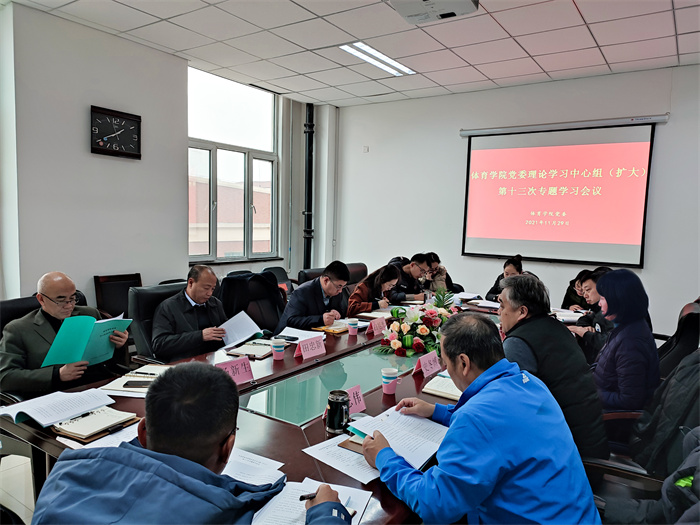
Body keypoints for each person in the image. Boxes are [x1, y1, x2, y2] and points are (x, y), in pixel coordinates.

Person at [32, 362, 351, 525]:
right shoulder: (216, 514)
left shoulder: (64, 474)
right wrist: (327, 512)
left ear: (142, 432)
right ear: (228, 447)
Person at [361, 312, 601, 525]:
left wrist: (384, 458)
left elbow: (435, 504)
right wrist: (436, 411)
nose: (445, 368)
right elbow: (501, 425)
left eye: (445, 361)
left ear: (463, 363)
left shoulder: (476, 418)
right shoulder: (529, 382)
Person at [498, 274, 609, 459]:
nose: (498, 312)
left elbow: (513, 409)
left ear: (522, 312)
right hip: (590, 443)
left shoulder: (518, 342)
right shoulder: (558, 328)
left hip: (565, 458)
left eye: (502, 306)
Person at [0, 272, 129, 397]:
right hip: (55, 393)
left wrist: (117, 345)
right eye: (61, 300)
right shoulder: (18, 329)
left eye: (73, 298)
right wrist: (57, 374)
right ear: (41, 299)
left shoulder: (89, 314)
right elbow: (5, 377)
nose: (69, 306)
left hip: (98, 385)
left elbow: (109, 361)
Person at [592, 269, 660, 410]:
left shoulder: (631, 342)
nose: (599, 304)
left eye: (603, 298)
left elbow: (630, 400)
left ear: (618, 300)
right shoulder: (626, 328)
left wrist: (589, 394)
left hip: (612, 417)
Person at [151, 265, 227, 362]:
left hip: (215, 358)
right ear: (191, 283)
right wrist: (200, 336)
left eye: (213, 289)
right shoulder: (168, 307)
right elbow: (159, 344)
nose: (209, 293)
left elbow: (224, 331)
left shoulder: (215, 303)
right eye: (206, 288)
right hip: (186, 363)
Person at [275, 261, 349, 333]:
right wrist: (321, 319)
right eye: (339, 286)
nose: (340, 291)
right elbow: (291, 320)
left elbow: (340, 310)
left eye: (343, 286)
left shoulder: (336, 291)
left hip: (319, 334)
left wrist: (335, 312)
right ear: (326, 280)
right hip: (288, 336)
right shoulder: (302, 292)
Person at [570, 267, 614, 364]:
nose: (585, 295)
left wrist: (585, 333)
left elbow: (613, 345)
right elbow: (586, 318)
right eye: (583, 292)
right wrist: (586, 327)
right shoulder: (601, 309)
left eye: (588, 290)